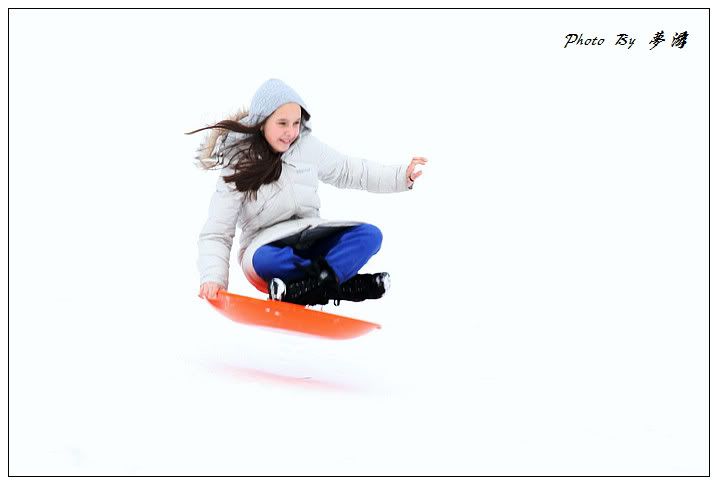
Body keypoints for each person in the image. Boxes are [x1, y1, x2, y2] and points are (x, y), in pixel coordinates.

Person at [188, 78, 426, 306]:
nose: (291, 132)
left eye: (296, 123)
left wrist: (401, 176)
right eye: (282, 123)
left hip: (310, 236)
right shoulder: (240, 162)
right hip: (266, 247)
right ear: (262, 122)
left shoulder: (306, 147)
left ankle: (306, 288)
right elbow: (217, 230)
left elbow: (350, 171)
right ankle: (339, 284)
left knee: (370, 235)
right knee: (267, 260)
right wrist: (213, 278)